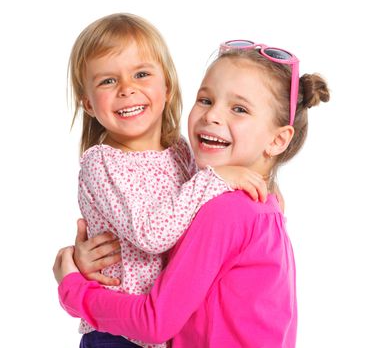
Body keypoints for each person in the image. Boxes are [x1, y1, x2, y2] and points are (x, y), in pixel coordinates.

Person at [54, 39, 330, 347]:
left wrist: (74, 290)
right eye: (206, 100)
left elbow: (154, 321)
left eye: (239, 108)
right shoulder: (263, 203)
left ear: (278, 140)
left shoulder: (226, 210)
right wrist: (92, 258)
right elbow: (162, 213)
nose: (212, 116)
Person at [65, 13, 268, 348]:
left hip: (168, 325)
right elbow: (151, 234)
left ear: (167, 87)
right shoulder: (102, 163)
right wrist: (216, 179)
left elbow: (205, 216)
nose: (127, 89)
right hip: (119, 331)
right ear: (88, 102)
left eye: (141, 74)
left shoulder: (179, 150)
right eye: (107, 81)